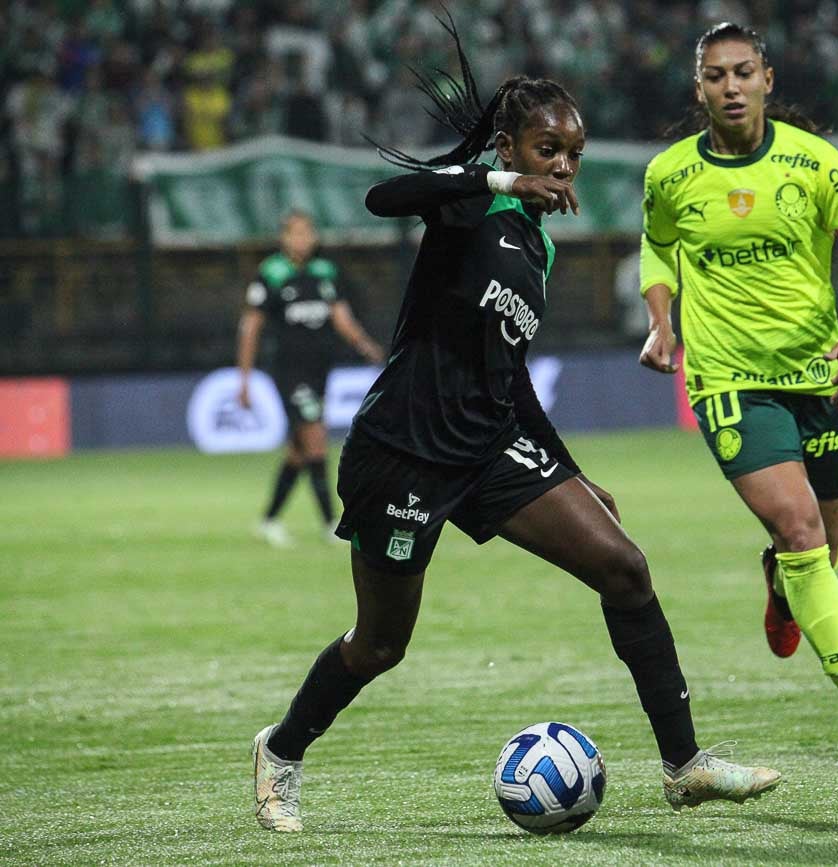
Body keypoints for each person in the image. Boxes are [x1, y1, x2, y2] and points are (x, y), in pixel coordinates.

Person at [251, 21, 780, 833]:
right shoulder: (468, 204)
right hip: (403, 452)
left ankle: (685, 765)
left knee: (625, 567)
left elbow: (511, 376)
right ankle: (281, 750)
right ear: (510, 147)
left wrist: (570, 470)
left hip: (490, 444)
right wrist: (496, 179)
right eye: (546, 149)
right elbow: (382, 198)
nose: (562, 165)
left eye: (571, 152)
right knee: (380, 644)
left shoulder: (534, 247)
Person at [637, 23, 838, 768]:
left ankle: (783, 587)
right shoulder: (668, 174)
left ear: (766, 78)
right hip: (727, 382)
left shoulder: (814, 163)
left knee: (824, 545)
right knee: (801, 532)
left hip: (818, 377)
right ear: (699, 89)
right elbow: (658, 245)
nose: (730, 87)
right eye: (716, 76)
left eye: (743, 72)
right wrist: (662, 320)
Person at [237, 210, 386, 547]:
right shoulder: (271, 274)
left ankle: (269, 520)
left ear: (314, 238)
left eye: (307, 233)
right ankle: (332, 523)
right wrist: (243, 379)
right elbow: (251, 327)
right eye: (295, 234)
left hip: (319, 371)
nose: (301, 240)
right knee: (316, 437)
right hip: (289, 372)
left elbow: (341, 318)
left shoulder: (325, 273)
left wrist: (366, 346)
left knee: (299, 450)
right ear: (283, 238)